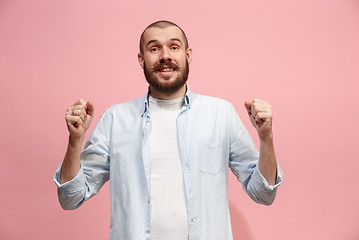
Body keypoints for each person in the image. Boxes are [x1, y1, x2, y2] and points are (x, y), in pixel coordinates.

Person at [53, 20, 283, 240]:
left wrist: (266, 138)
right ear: (141, 59)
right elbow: (71, 198)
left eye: (174, 47)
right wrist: (75, 141)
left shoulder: (221, 114)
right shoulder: (115, 119)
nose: (165, 56)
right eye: (155, 48)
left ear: (188, 55)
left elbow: (263, 193)